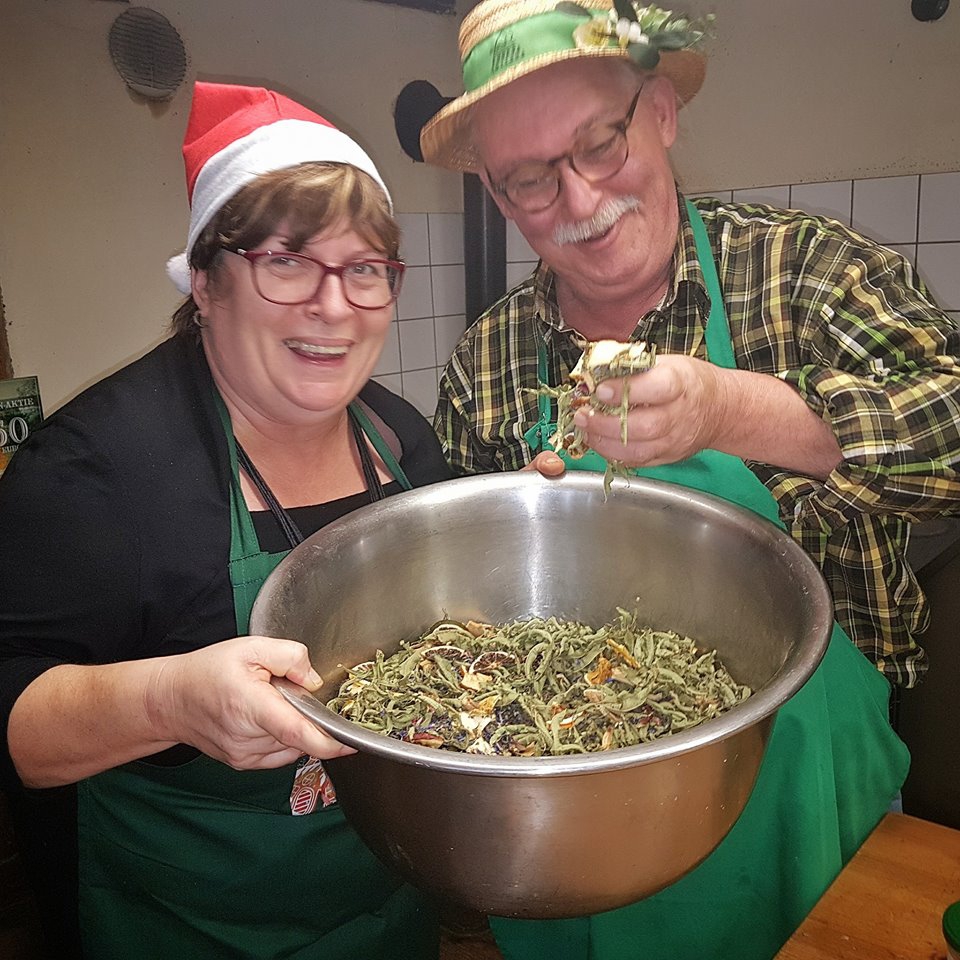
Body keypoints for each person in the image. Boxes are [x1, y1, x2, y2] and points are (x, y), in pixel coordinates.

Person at [421, 1, 960, 958]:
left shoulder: (807, 274)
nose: (581, 200)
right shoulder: (488, 363)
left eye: (600, 142)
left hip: (810, 797)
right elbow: (458, 612)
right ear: (499, 199)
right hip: (577, 826)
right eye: (532, 181)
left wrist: (735, 411)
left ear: (661, 110)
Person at [0, 81, 452, 959]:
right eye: (288, 261)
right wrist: (169, 699)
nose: (334, 305)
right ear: (205, 281)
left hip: (388, 911)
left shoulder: (401, 442)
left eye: (366, 269)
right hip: (185, 928)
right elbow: (15, 721)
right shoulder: (95, 473)